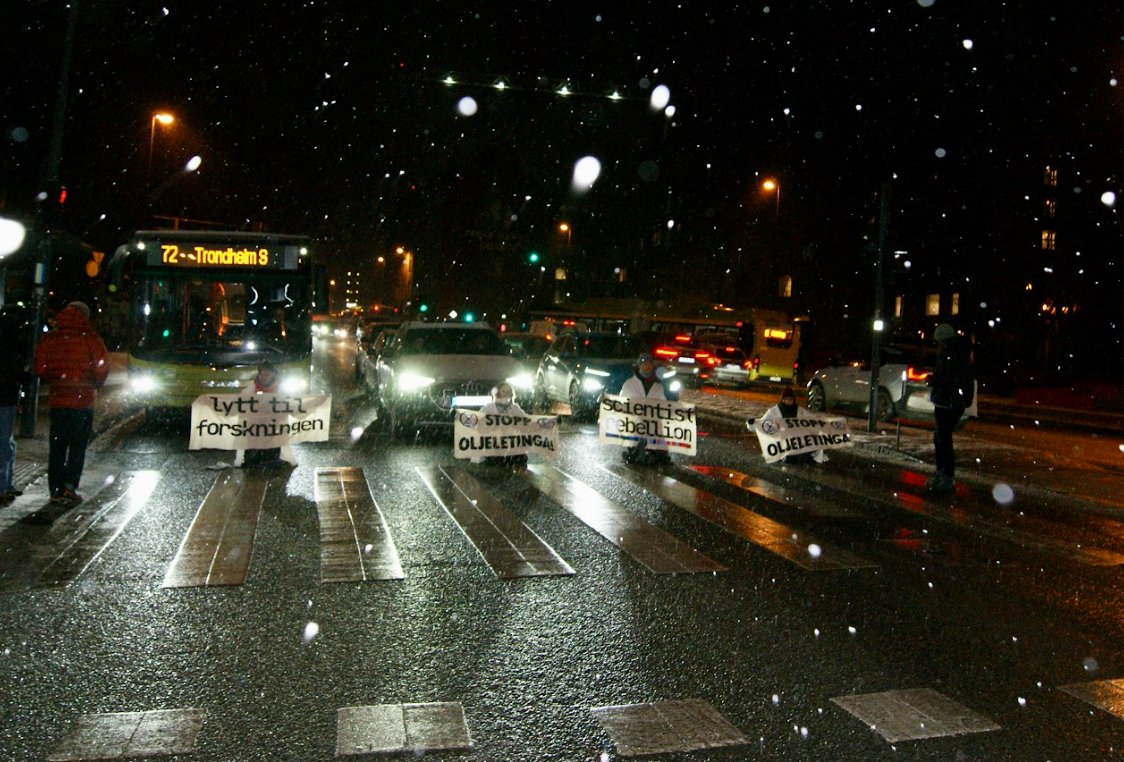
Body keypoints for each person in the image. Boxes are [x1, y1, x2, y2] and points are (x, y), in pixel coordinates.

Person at [33, 301, 109, 506]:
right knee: (77, 446)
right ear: (85, 317)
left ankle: (55, 490)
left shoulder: (51, 338)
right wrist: (92, 384)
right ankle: (69, 487)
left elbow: (40, 367)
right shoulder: (91, 339)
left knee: (57, 446)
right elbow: (101, 368)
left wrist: (56, 379)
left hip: (58, 401)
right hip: (82, 401)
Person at [925, 323, 974, 494]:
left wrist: (933, 380)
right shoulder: (960, 354)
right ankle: (944, 474)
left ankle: (945, 475)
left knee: (942, 440)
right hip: (952, 403)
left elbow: (946, 378)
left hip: (946, 402)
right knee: (942, 439)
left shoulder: (949, 355)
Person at [234, 361, 296, 468]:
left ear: (272, 374)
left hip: (272, 424)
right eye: (262, 374)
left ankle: (269, 459)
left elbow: (288, 403)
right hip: (255, 425)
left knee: (271, 445)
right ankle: (253, 460)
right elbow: (243, 401)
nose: (264, 377)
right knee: (254, 445)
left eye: (267, 374)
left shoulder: (279, 388)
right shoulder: (251, 388)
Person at [752, 386, 827, 464]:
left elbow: (812, 420)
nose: (788, 401)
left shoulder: (800, 411)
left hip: (797, 441)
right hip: (782, 441)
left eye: (790, 399)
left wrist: (822, 424)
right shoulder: (774, 411)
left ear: (793, 400)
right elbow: (763, 423)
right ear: (782, 400)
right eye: (786, 399)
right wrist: (753, 423)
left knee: (803, 456)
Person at [0, 310, 30, 505]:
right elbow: (17, 373)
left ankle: (5, 484)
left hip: (6, 397)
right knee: (5, 443)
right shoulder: (13, 347)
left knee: (5, 443)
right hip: (5, 399)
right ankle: (4, 485)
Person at [618, 353, 670, 465]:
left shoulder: (657, 385)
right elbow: (624, 401)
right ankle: (636, 452)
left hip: (653, 420)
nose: (647, 366)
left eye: (649, 364)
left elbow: (663, 401)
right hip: (636, 420)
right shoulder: (629, 384)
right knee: (637, 435)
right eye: (644, 364)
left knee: (655, 433)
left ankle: (656, 453)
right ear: (639, 365)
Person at [472, 382, 529, 469]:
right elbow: (477, 419)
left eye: (508, 391)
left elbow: (526, 421)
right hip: (493, 442)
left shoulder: (514, 408)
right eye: (503, 390)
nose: (505, 393)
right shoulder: (489, 407)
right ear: (498, 392)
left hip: (509, 442)